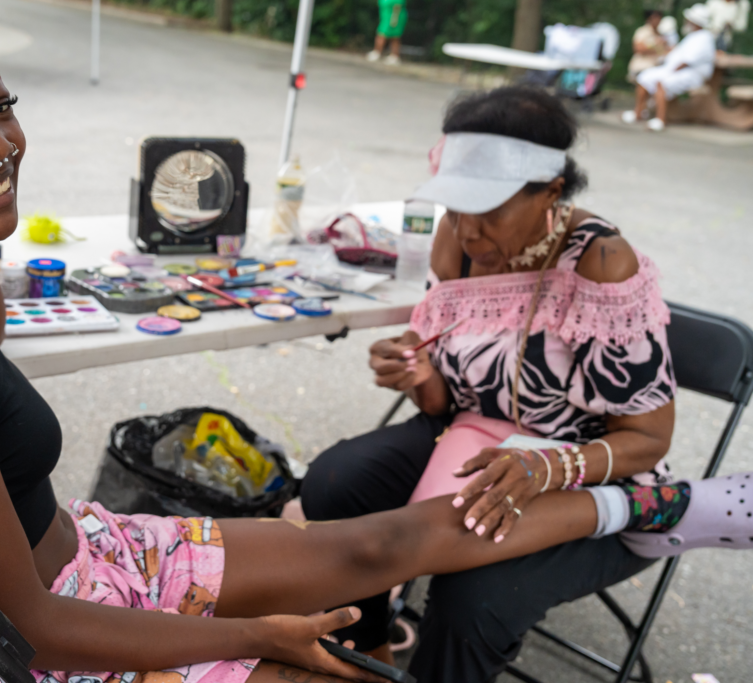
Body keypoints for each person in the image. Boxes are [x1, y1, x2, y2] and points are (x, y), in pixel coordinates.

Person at [0, 5, 751, 683]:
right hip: (56, 627)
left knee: (364, 543)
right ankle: (649, 505)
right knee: (356, 571)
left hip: (89, 557)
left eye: (1, 106)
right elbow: (36, 628)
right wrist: (249, 639)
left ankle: (646, 502)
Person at [299, 84, 722, 683]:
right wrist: (419, 372)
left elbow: (647, 440)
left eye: (490, 210)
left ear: (551, 193)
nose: (469, 233)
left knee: (474, 597)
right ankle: (370, 651)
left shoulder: (600, 262)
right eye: (456, 208)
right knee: (336, 485)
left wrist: (545, 469)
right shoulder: (460, 245)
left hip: (587, 472)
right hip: (471, 437)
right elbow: (445, 399)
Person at [623, 4, 718, 131]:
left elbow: (687, 61)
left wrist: (671, 71)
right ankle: (638, 112)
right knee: (643, 77)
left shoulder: (704, 38)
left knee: (662, 82)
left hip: (691, 73)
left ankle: (660, 120)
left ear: (695, 22)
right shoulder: (692, 36)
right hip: (674, 69)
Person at [628, 10, 670, 82]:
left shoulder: (661, 34)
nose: (657, 20)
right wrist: (657, 47)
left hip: (655, 68)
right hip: (642, 67)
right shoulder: (643, 31)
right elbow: (638, 49)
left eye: (659, 18)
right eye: (655, 18)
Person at [366, 0, 406, 66]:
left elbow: (397, 6)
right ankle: (378, 52)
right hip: (385, 17)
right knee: (382, 33)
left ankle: (393, 56)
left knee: (393, 36)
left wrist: (394, 19)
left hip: (394, 18)